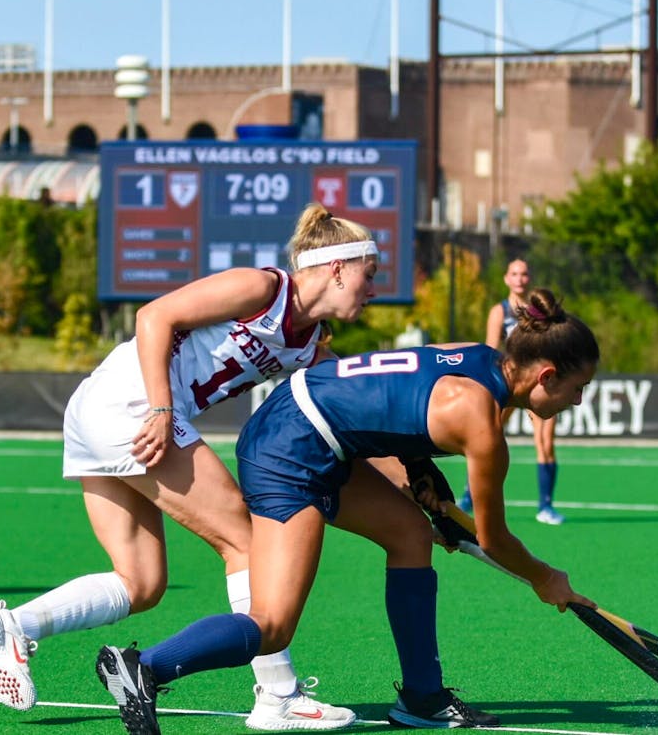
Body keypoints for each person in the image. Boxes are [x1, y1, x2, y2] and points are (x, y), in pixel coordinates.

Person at [95, 289, 600, 735]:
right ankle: (144, 667)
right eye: (578, 388)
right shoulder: (484, 427)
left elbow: (399, 393)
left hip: (314, 425)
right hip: (288, 450)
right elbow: (494, 539)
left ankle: (423, 697)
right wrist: (544, 577)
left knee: (410, 534)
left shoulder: (478, 357)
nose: (577, 401)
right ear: (547, 374)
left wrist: (420, 471)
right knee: (272, 624)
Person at [0, 203, 375, 728]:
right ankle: (278, 696)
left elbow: (351, 416)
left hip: (106, 409)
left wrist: (416, 488)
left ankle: (15, 627)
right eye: (370, 274)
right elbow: (153, 316)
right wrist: (162, 408)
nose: (374, 289)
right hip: (133, 405)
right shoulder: (262, 288)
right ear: (337, 267)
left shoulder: (312, 344)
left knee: (141, 583)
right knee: (246, 540)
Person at [459, 258, 564, 524]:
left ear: (529, 278)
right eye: (514, 274)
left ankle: (546, 507)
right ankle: (469, 495)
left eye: (524, 274)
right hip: (508, 386)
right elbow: (491, 350)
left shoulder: (538, 311)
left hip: (538, 387)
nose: (519, 278)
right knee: (485, 438)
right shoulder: (500, 311)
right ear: (507, 279)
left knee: (546, 443)